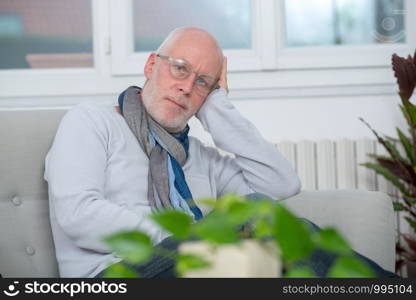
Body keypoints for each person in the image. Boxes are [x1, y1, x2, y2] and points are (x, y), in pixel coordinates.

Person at [45, 27, 396, 278]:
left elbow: (281, 184)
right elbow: (78, 213)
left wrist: (217, 107)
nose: (185, 86)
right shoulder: (91, 121)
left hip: (197, 267)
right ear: (152, 65)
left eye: (202, 82)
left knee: (263, 215)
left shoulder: (198, 157)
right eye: (180, 68)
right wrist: (186, 236)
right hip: (116, 273)